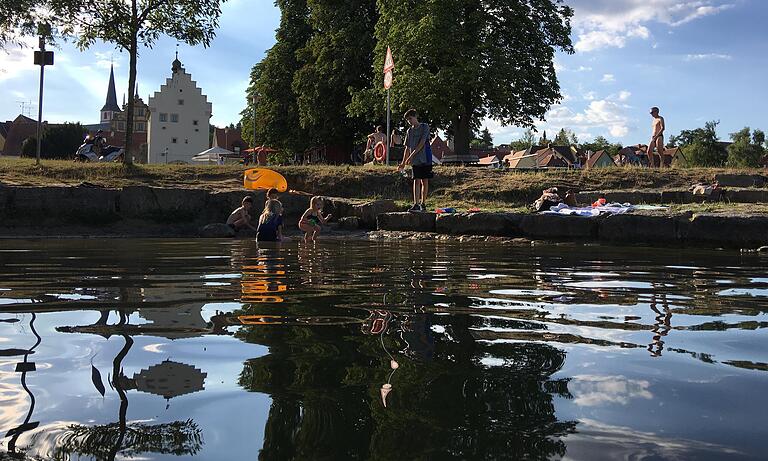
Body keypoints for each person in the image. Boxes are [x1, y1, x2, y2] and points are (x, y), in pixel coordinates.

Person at [398, 109, 432, 212]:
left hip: (425, 157)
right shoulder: (409, 131)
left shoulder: (424, 127)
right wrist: (403, 162)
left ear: (415, 117)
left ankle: (423, 203)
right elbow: (407, 148)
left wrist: (411, 156)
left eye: (410, 119)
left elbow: (421, 143)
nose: (409, 121)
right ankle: (416, 204)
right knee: (416, 180)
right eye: (407, 120)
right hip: (415, 160)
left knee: (424, 181)